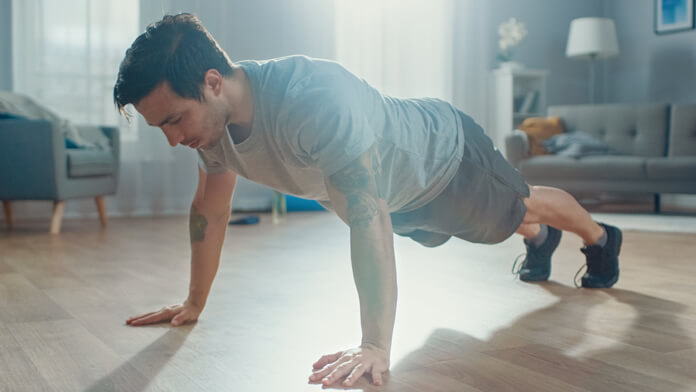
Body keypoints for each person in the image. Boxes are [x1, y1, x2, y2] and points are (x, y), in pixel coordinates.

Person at [115, 13, 622, 388]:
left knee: (519, 205)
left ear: (212, 83)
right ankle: (536, 235)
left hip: (443, 159)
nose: (172, 139)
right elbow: (211, 209)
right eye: (161, 126)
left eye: (173, 120)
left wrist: (375, 346)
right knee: (496, 223)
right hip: (399, 197)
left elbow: (365, 213)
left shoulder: (310, 98)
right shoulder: (212, 131)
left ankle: (600, 239)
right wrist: (194, 302)